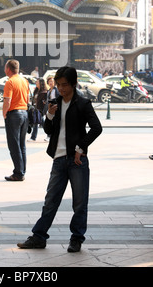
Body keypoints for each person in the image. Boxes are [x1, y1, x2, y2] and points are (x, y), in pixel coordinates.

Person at [17, 66, 102, 253]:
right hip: (58, 159)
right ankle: (38, 237)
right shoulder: (55, 102)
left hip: (77, 160)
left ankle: (76, 238)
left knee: (79, 203)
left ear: (73, 84)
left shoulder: (82, 103)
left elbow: (97, 128)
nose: (61, 89)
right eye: (58, 85)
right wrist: (49, 115)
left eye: (65, 85)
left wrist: (81, 147)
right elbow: (49, 130)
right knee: (50, 201)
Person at [3, 59, 30, 181]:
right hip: (24, 112)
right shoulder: (24, 81)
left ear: (8, 69)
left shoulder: (10, 82)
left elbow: (7, 100)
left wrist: (4, 114)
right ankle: (22, 170)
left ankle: (18, 173)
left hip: (13, 114)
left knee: (14, 145)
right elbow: (28, 98)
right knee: (21, 144)